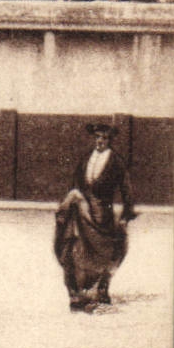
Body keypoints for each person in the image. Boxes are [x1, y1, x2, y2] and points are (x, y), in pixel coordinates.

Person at [55, 124, 135, 312]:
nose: (100, 141)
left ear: (109, 140)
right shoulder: (86, 159)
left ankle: (101, 288)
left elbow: (126, 189)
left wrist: (126, 214)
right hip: (81, 211)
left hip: (102, 212)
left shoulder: (116, 161)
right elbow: (75, 181)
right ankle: (75, 293)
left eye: (104, 138)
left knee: (107, 250)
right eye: (97, 137)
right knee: (71, 246)